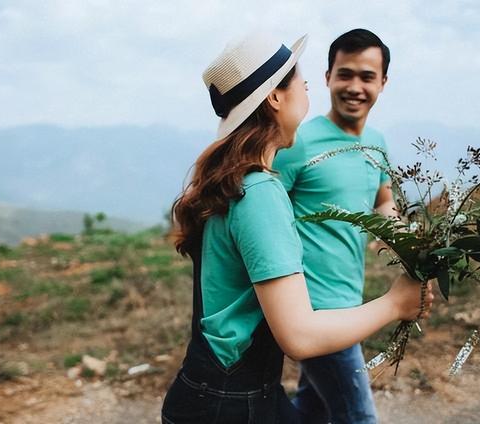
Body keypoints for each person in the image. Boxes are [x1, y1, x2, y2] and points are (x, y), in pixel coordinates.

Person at [161, 32, 433, 424]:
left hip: (230, 393)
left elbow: (382, 201)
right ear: (275, 97)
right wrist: (395, 303)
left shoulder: (240, 181)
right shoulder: (260, 193)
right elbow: (300, 336)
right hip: (229, 405)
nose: (306, 88)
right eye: (299, 80)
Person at [272, 29, 395, 424]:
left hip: (350, 307)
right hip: (315, 312)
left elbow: (383, 201)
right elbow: (265, 213)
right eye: (345, 74)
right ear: (327, 77)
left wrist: (406, 243)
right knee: (359, 417)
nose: (355, 87)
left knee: (314, 410)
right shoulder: (298, 143)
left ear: (383, 83)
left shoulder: (377, 144)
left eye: (366, 76)